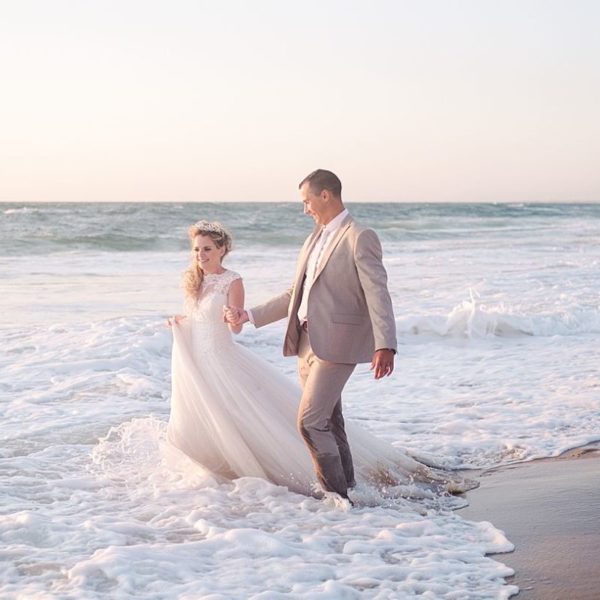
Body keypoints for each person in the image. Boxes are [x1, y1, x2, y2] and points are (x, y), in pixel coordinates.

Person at [167, 219, 474, 503]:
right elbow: (198, 318)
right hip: (200, 359)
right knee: (223, 415)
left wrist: (237, 317)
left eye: (207, 248)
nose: (200, 255)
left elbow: (235, 325)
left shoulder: (232, 281)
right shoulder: (193, 281)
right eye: (196, 249)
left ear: (222, 249)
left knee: (300, 420)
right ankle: (337, 486)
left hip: (235, 356)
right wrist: (180, 323)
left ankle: (339, 493)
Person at [224, 169, 398, 502]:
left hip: (338, 344)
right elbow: (296, 293)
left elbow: (378, 292)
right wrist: (250, 315)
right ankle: (351, 491)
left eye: (307, 201)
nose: (305, 209)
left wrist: (385, 344)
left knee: (309, 422)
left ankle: (335, 498)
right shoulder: (313, 238)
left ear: (326, 195)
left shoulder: (359, 236)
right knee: (330, 420)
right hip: (306, 342)